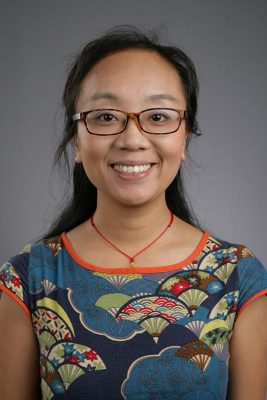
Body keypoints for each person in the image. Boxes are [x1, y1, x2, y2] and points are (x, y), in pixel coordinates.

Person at [0, 25, 267, 400]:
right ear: (77, 139)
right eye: (106, 116)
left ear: (185, 135)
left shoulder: (239, 277)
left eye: (158, 116)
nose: (132, 138)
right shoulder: (28, 278)